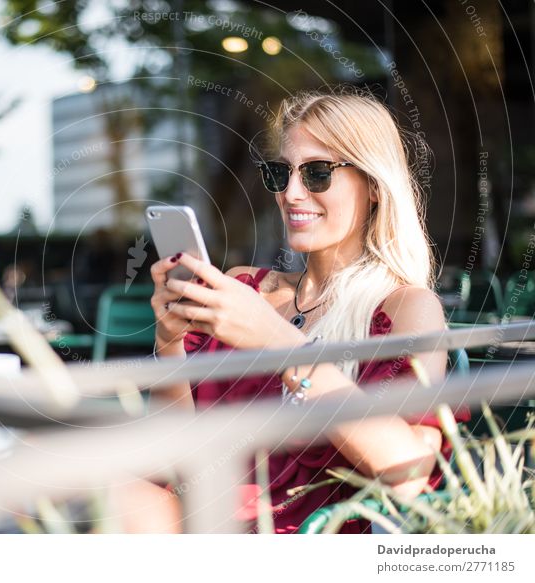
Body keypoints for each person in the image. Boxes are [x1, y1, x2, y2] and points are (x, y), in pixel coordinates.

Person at [137, 88, 470, 534]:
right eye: (281, 173)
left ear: (374, 186)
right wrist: (169, 342)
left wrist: (278, 342)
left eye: (317, 173)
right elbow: (176, 451)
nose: (291, 194)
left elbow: (409, 472)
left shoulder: (404, 308)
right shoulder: (244, 287)